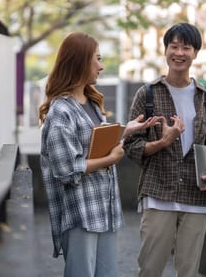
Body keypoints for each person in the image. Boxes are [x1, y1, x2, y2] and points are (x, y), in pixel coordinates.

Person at [39, 31, 161, 277]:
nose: (102, 66)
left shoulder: (92, 103)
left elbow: (96, 141)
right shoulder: (61, 111)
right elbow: (65, 170)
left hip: (103, 208)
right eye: (97, 58)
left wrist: (127, 130)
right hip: (80, 212)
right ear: (80, 61)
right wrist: (110, 160)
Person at [123, 23, 206, 277]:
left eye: (186, 47)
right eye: (174, 46)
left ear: (195, 53)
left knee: (189, 271)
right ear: (166, 50)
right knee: (150, 268)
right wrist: (163, 142)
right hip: (158, 191)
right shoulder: (147, 94)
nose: (179, 53)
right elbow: (131, 145)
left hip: (197, 195)